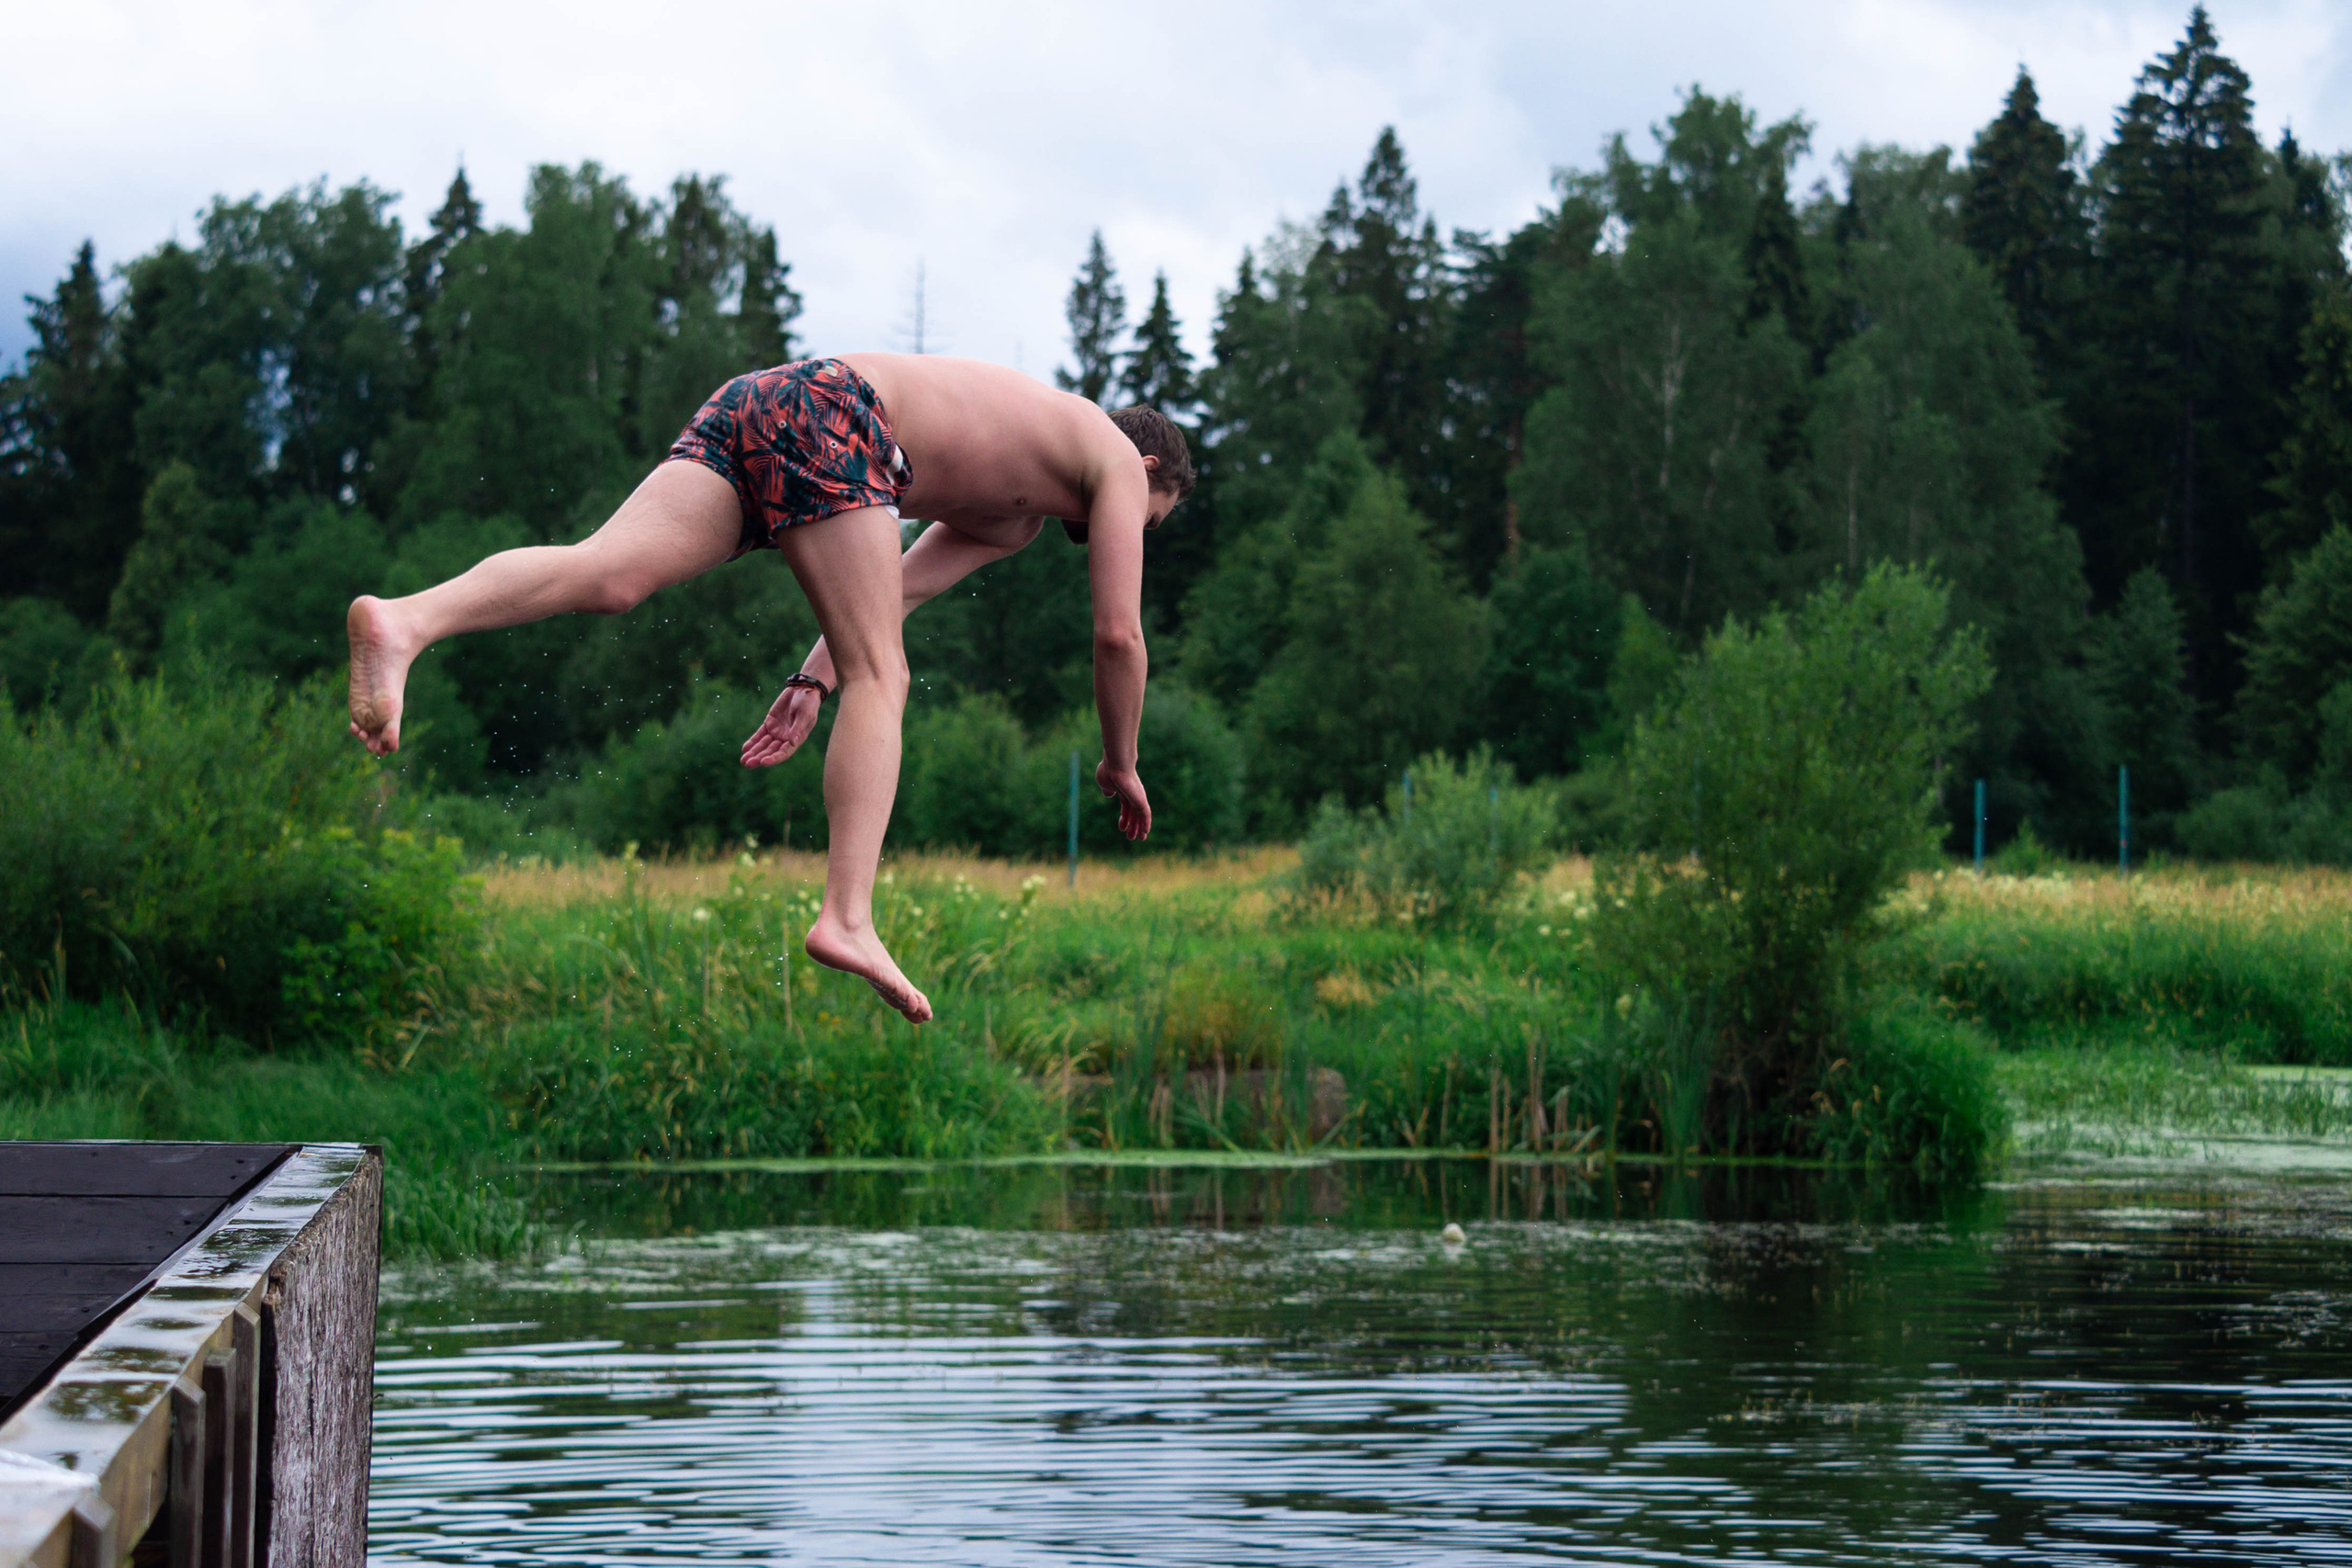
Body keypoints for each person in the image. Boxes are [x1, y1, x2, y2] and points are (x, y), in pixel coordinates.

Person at [345, 355, 1192, 1022]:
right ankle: (848, 916)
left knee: (612, 573)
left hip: (767, 401)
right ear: (1149, 466)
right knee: (886, 674)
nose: (1134, 532)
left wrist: (812, 678)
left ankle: (407, 622)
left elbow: (890, 588)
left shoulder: (1012, 519)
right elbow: (1118, 635)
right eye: (1154, 519)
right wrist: (1122, 761)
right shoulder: (1114, 456)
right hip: (839, 412)